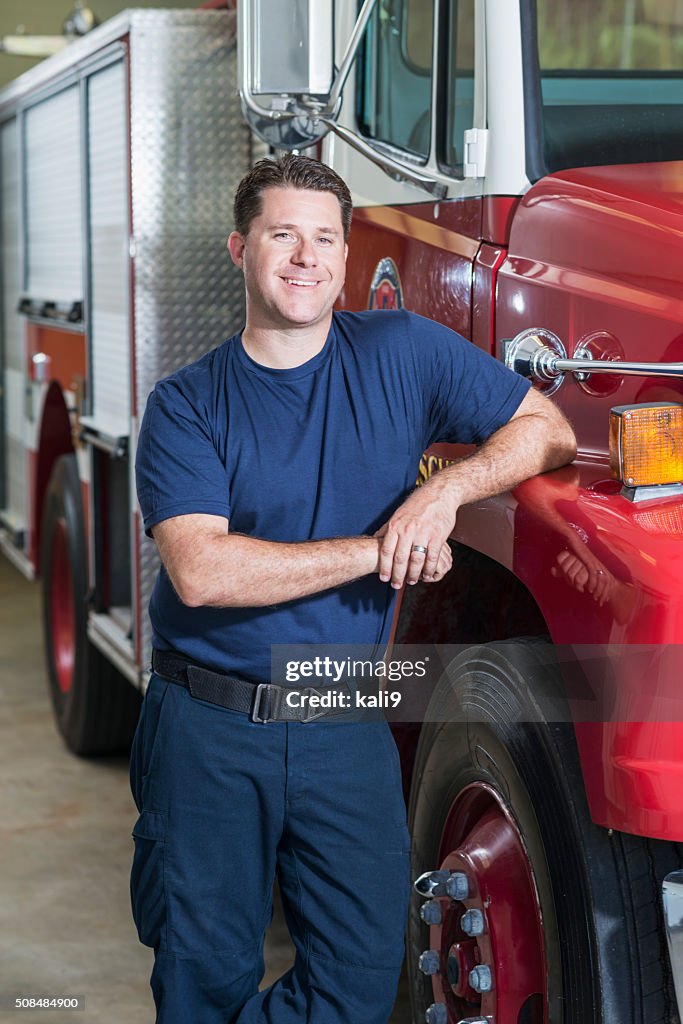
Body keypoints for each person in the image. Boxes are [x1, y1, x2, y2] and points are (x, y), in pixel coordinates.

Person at [131, 154, 576, 1024]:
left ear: (345, 253)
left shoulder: (401, 352)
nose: (306, 257)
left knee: (362, 979)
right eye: (282, 234)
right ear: (239, 248)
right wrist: (383, 547)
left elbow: (546, 429)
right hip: (210, 724)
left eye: (324, 238)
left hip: (343, 710)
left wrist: (441, 493)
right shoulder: (186, 405)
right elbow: (205, 570)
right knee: (201, 976)